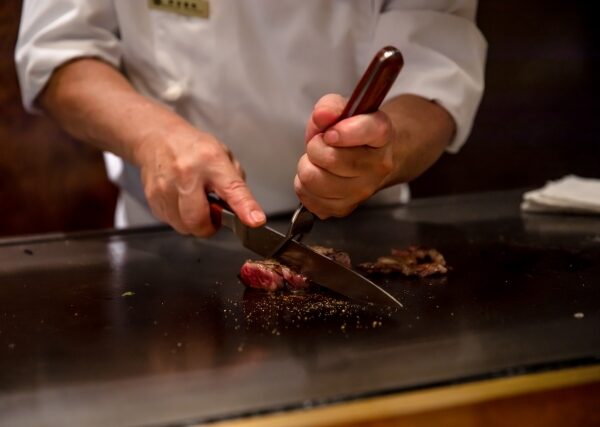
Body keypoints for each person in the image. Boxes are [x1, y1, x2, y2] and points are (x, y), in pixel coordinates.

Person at [15, 1, 486, 237]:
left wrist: (387, 144)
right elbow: (60, 51)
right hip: (164, 235)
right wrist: (154, 137)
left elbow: (437, 52)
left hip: (368, 224)